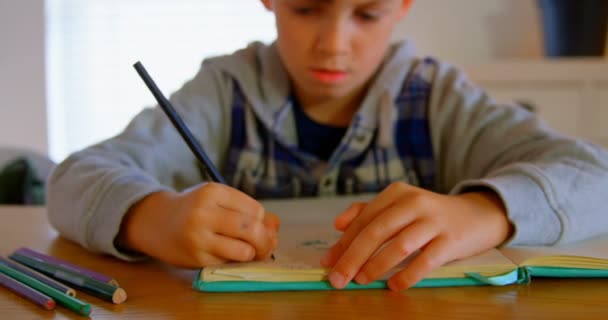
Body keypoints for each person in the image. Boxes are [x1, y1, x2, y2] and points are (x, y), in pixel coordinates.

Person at [47, 0, 608, 292]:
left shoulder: (439, 99)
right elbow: (74, 178)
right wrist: (154, 216)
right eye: (306, 7)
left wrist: (484, 211)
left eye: (367, 13)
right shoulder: (223, 92)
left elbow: (595, 175)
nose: (333, 44)